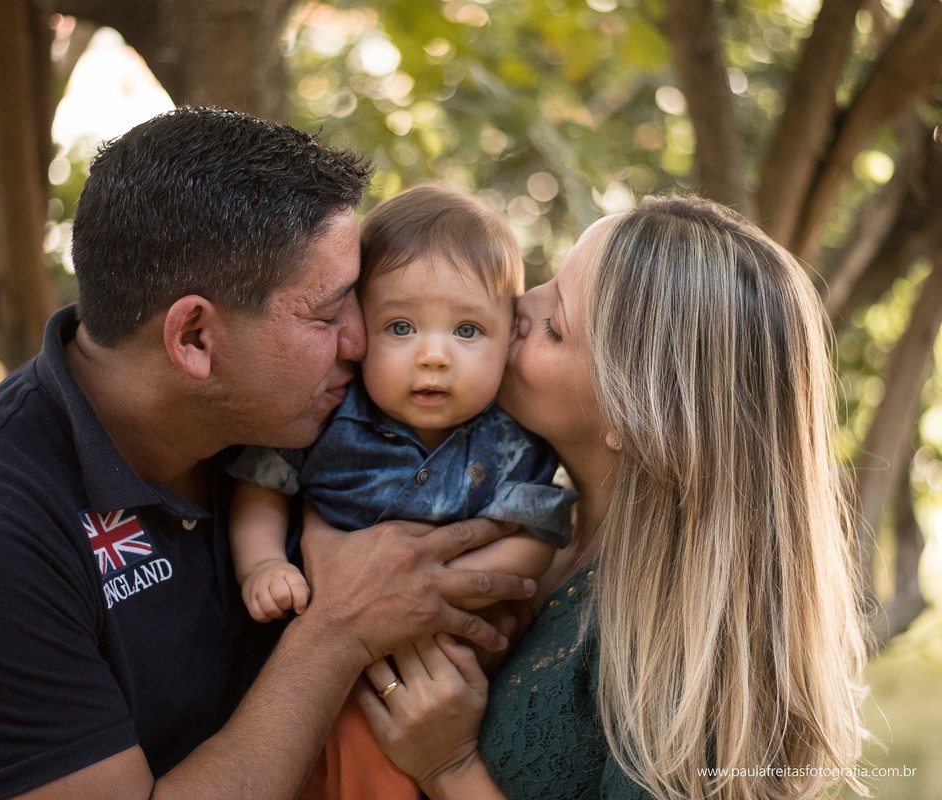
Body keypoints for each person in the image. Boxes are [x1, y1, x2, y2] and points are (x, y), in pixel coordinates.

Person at [0, 107, 538, 800]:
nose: (361, 343)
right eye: (327, 316)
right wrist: (339, 630)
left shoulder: (290, 423)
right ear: (195, 340)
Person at [350, 195, 870, 800]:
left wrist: (450, 769)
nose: (520, 304)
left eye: (554, 326)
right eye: (547, 283)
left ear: (636, 415)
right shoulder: (525, 517)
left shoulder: (689, 666)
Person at [227, 184, 577, 800]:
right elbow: (264, 485)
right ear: (359, 328)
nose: (434, 356)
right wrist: (262, 564)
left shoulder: (514, 438)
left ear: (508, 335)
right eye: (402, 327)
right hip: (327, 655)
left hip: (448, 650)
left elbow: (533, 536)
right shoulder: (329, 411)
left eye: (468, 330)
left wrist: (442, 589)